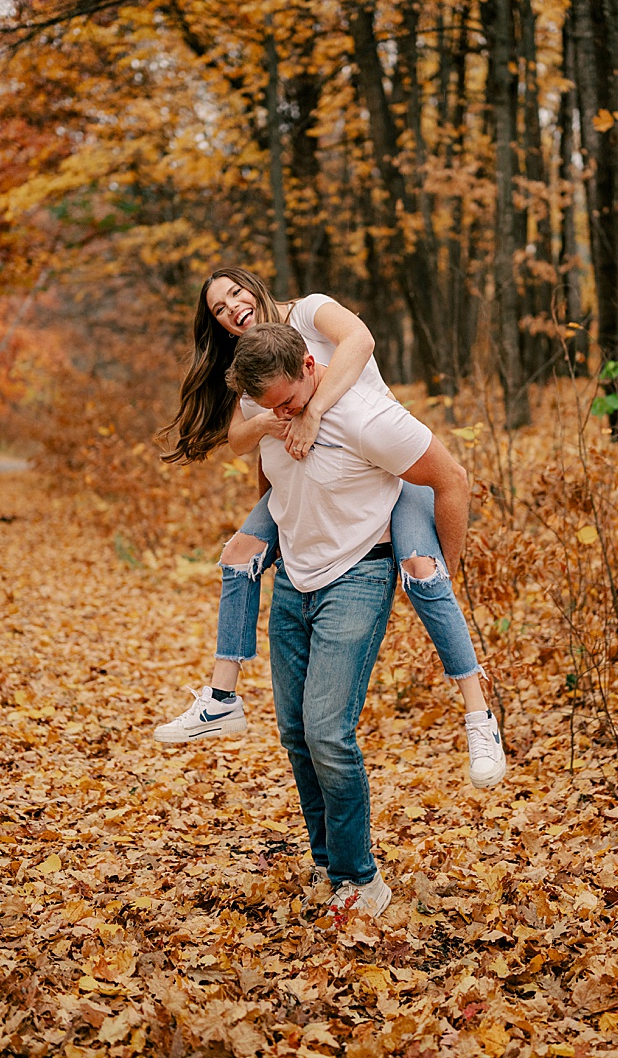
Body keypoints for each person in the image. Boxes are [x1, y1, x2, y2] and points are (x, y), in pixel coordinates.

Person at [157, 269, 506, 789]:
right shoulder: (254, 368)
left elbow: (360, 338)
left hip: (384, 461)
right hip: (312, 485)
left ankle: (479, 717)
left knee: (424, 571)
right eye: (218, 309)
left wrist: (312, 411)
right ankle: (221, 698)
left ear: (253, 285)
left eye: (235, 293)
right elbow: (250, 447)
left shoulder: (308, 312)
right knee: (239, 553)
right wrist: (274, 471)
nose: (231, 308)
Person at [226, 321, 496, 913]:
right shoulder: (269, 411)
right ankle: (329, 862)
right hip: (295, 579)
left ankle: (361, 878)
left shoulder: (367, 419)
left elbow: (451, 480)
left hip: (358, 575)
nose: (283, 417)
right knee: (297, 733)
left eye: (290, 403)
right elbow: (269, 477)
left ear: (311, 368)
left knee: (327, 730)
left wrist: (443, 572)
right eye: (269, 409)